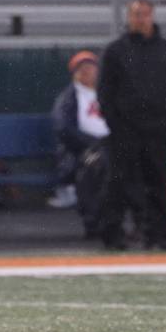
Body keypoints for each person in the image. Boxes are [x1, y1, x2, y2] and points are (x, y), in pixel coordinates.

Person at [97, 0, 166, 250]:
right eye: (136, 14)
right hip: (125, 129)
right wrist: (115, 122)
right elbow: (105, 90)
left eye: (145, 14)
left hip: (159, 130)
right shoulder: (115, 51)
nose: (140, 19)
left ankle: (157, 235)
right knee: (118, 182)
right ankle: (112, 235)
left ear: (152, 16)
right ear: (128, 17)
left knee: (158, 182)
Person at [48, 51, 110, 217]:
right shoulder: (68, 98)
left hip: (109, 147)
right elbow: (63, 128)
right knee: (97, 165)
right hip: (79, 152)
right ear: (74, 73)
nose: (87, 71)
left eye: (90, 67)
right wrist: (92, 144)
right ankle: (95, 220)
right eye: (81, 68)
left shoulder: (107, 93)